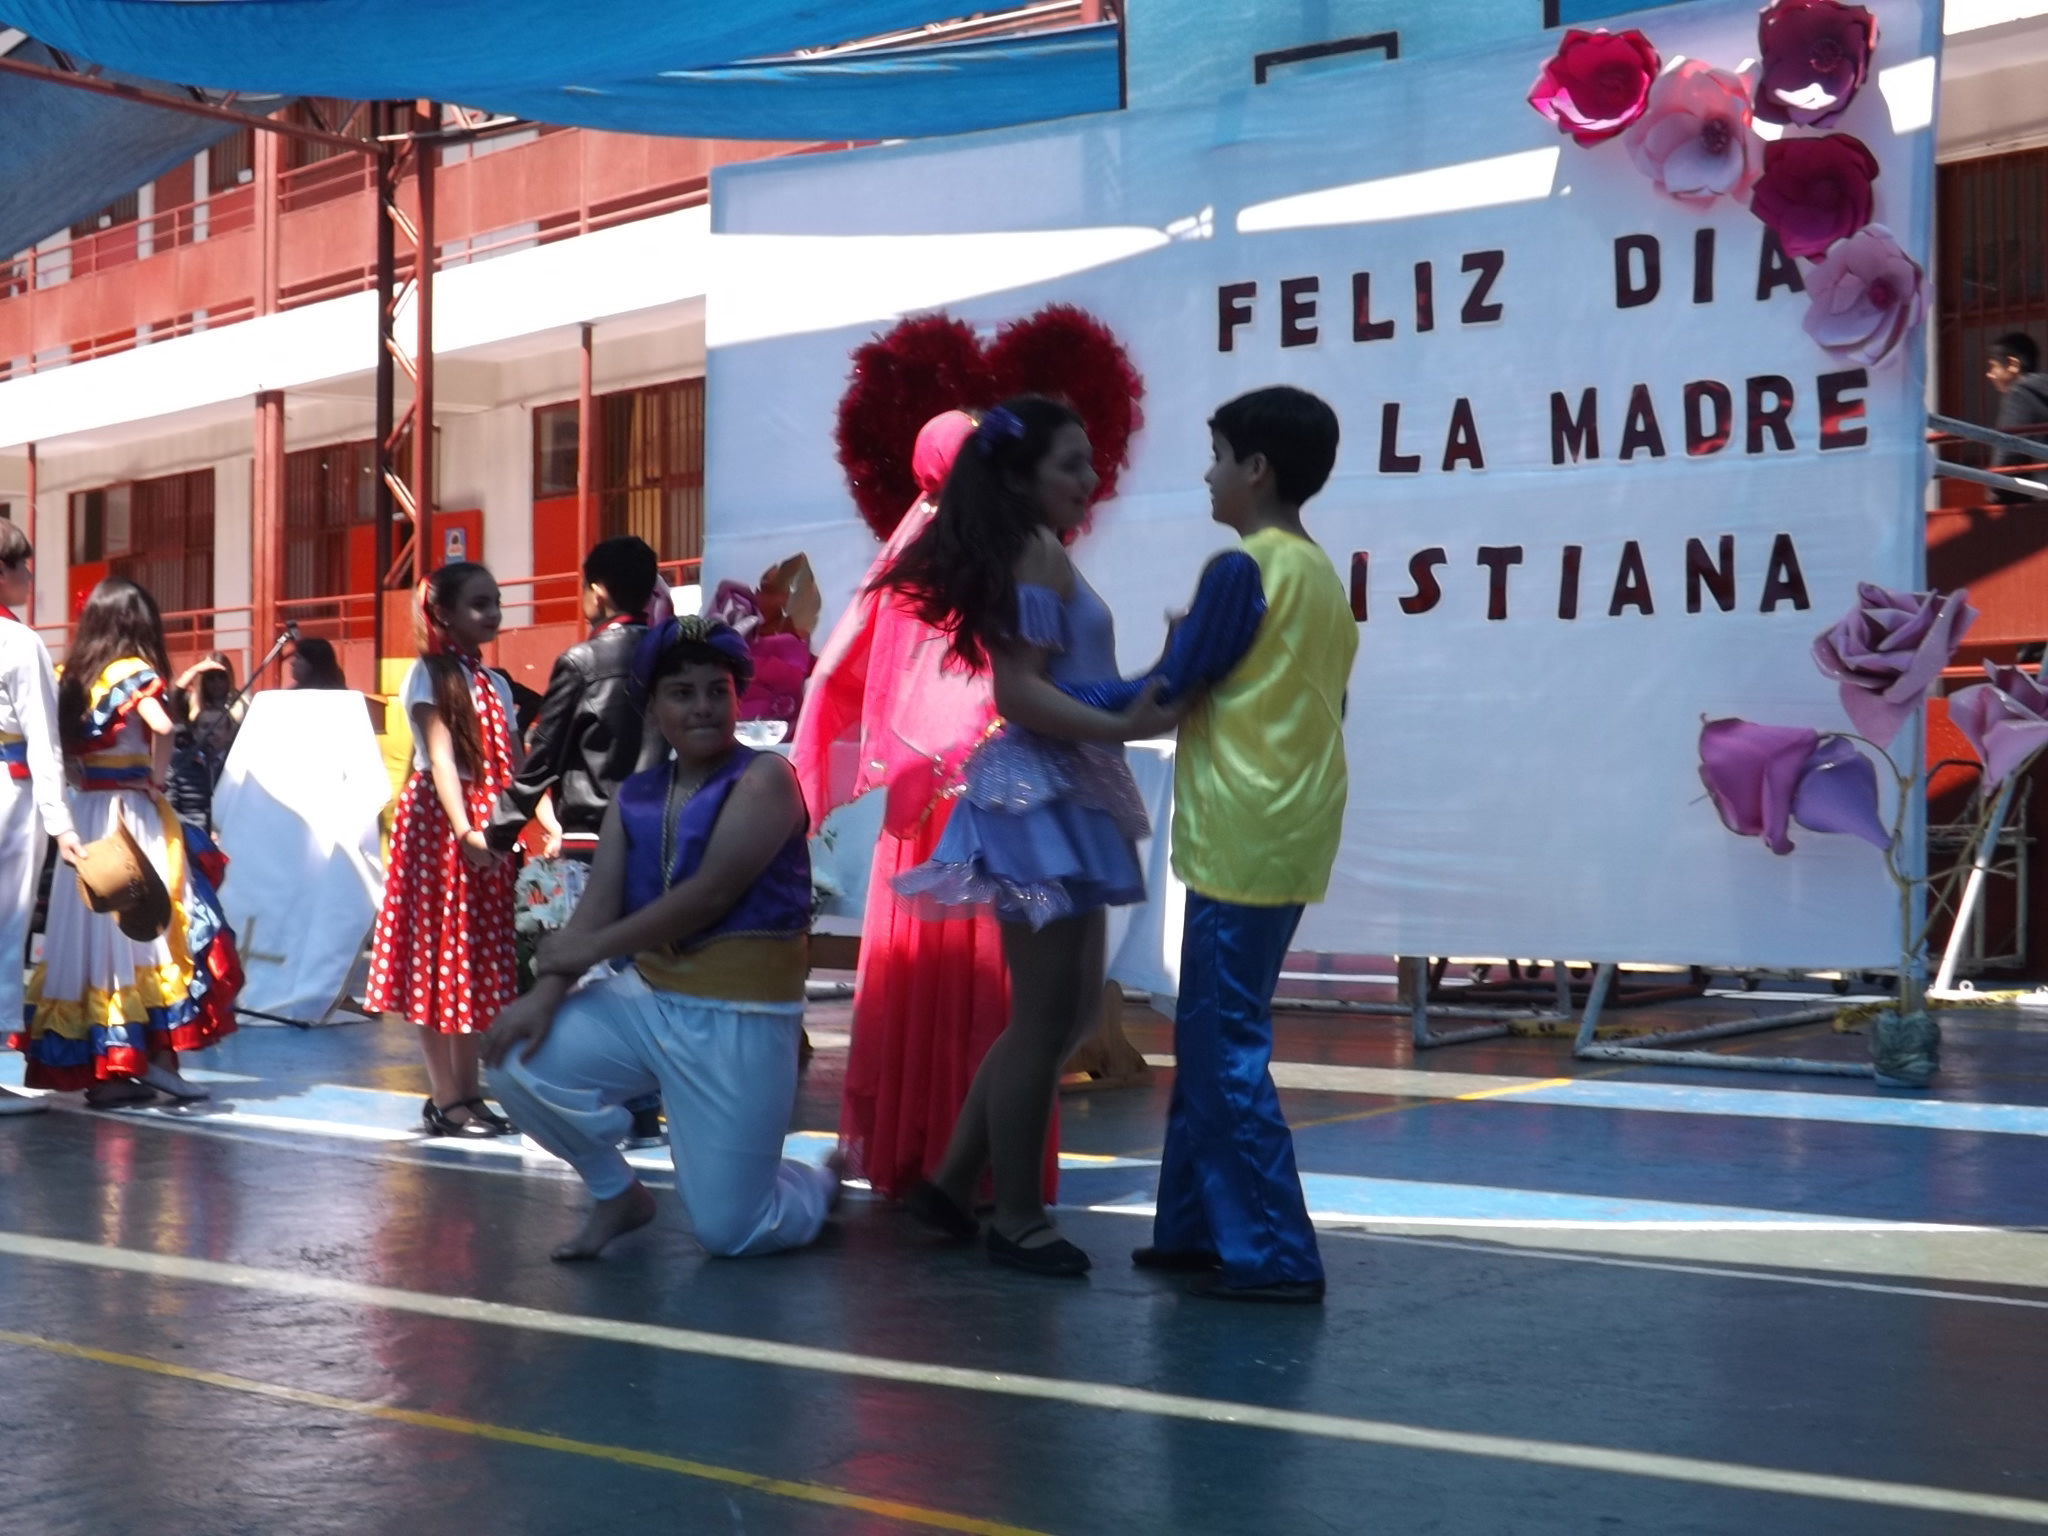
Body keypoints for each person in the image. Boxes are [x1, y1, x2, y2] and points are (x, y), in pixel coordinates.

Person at [878, 396, 1180, 1278]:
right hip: (1041, 798)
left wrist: (1149, 687)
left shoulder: (1039, 550)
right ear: (1019, 476)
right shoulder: (1036, 553)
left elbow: (1064, 684)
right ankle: (1013, 1216)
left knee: (1061, 1016)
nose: (1090, 478)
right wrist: (1131, 716)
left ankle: (953, 1186)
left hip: (1059, 793)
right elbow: (1018, 692)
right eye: (1070, 464)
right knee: (1049, 1019)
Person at [1080, 386, 1356, 1304]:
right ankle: (1197, 1227)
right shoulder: (1319, 577)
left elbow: (1162, 694)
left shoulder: (1243, 570)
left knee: (1222, 1042)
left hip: (1244, 829)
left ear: (1256, 469)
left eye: (1218, 456)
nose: (1208, 475)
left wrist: (1046, 703)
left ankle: (1274, 1252)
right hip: (1289, 826)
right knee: (1207, 1032)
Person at [484, 616, 839, 1261]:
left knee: (734, 1233)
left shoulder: (767, 779)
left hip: (742, 1020)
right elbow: (596, 907)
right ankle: (616, 1194)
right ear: (652, 708)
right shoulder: (635, 796)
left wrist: (583, 953)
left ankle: (818, 1183)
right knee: (514, 1062)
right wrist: (544, 997)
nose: (702, 706)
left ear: (737, 698)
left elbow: (710, 896)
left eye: (717, 690)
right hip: (647, 1005)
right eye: (682, 693)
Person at [793, 411, 1058, 1202]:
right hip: (988, 798)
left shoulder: (913, 560)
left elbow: (838, 676)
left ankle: (921, 1149)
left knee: (935, 981)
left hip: (928, 805)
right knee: (989, 986)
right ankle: (978, 1165)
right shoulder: (1005, 552)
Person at [17, 577, 242, 1105]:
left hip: (87, 818)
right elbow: (161, 725)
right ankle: (157, 1063)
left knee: (93, 943)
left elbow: (56, 748)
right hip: (133, 817)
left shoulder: (72, 676)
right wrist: (157, 778)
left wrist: (79, 775)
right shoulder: (133, 672)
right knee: (156, 934)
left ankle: (108, 1071)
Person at [486, 534, 664, 1145]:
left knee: (587, 974)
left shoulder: (582, 662)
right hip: (661, 836)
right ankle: (646, 1109)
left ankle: (597, 1104)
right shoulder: (669, 654)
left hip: (592, 839)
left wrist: (497, 831)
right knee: (643, 970)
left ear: (598, 591)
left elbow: (542, 758)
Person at [364, 561, 522, 1139]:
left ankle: (468, 1093)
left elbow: (517, 766)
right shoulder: (429, 675)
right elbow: (442, 760)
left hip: (484, 825)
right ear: (444, 615)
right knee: (437, 959)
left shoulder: (495, 683)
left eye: (495, 601)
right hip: (442, 826)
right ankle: (445, 1097)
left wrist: (538, 821)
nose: (493, 613)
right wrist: (466, 832)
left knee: (472, 960)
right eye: (479, 603)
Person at [0, 522, 80, 1115]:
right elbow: (43, 743)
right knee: (5, 930)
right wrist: (62, 824)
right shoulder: (20, 643)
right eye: (21, 565)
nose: (29, 576)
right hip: (9, 796)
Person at [165, 651, 240, 830]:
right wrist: (195, 670)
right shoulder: (190, 701)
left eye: (221, 677)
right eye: (210, 677)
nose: (216, 683)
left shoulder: (242, 702)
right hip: (196, 774)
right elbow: (171, 697)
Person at [1988, 332, 2048, 505]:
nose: (1990, 374)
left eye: (1993, 366)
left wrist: (1995, 488)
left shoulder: (2019, 393)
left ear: (2013, 365)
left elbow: (2009, 449)